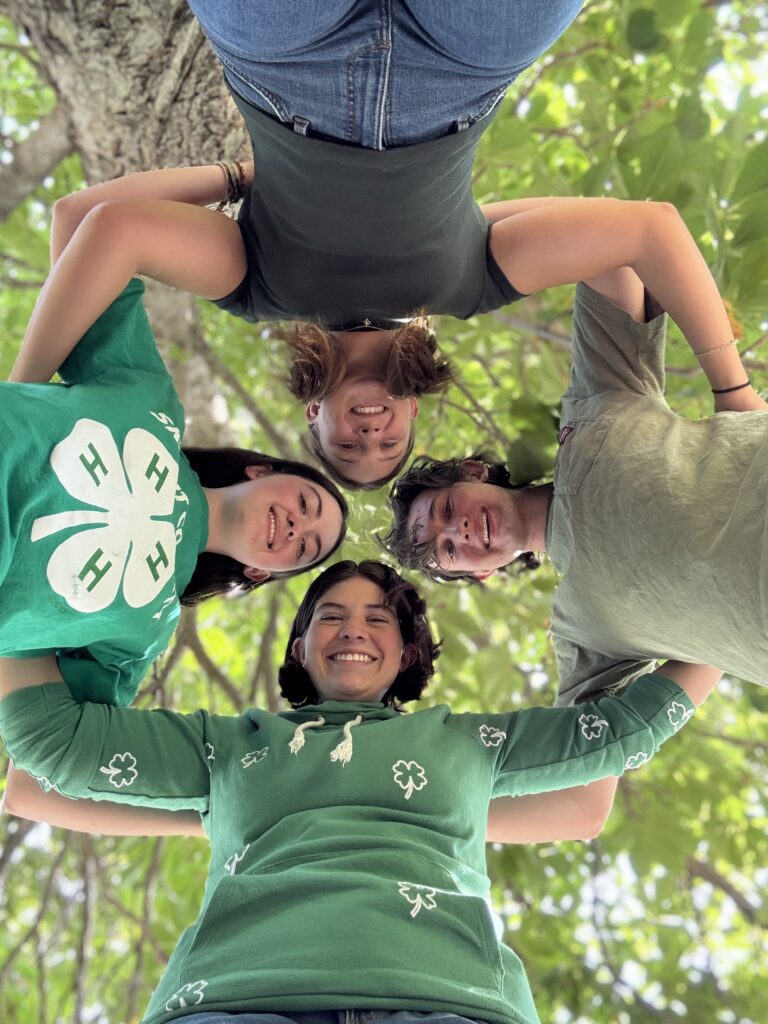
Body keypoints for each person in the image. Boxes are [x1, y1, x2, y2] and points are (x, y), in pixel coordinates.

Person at [12, 2, 763, 490]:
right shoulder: (471, 283)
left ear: (316, 420)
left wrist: (27, 401)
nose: (370, 438)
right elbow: (648, 227)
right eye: (387, 448)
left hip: (283, 62)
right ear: (408, 421)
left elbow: (94, 223)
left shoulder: (258, 290)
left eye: (348, 450)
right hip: (465, 65)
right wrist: (733, 394)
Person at [0, 560, 721, 1024]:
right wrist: (15, 574)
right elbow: (49, 741)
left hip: (452, 1002)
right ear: (298, 645)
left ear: (408, 652)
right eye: (331, 616)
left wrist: (735, 615)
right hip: (234, 1000)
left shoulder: (464, 741)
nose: (353, 630)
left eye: (379, 618)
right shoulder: (229, 744)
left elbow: (626, 728)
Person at [383, 266, 768, 695]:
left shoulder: (591, 406)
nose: (459, 530)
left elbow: (607, 256)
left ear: (473, 473)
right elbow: (594, 755)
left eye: (447, 510)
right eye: (449, 549)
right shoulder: (583, 632)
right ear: (483, 574)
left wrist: (731, 388)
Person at [1, 274, 348, 709]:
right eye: (305, 503)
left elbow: (55, 743)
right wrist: (20, 390)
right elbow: (87, 236)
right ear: (261, 470)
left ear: (260, 573)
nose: (299, 526)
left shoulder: (144, 636)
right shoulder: (154, 402)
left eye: (305, 549)